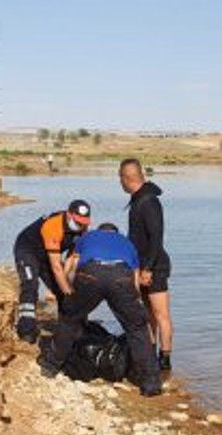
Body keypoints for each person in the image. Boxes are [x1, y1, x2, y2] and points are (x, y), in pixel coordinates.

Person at [40, 223, 162, 398]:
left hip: (90, 273)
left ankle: (50, 366)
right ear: (115, 232)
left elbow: (72, 262)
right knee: (137, 329)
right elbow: (135, 277)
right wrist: (135, 301)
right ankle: (151, 384)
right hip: (121, 276)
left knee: (69, 320)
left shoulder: (87, 237)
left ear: (100, 230)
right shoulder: (127, 243)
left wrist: (65, 290)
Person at [120, 158, 173, 371]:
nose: (120, 184)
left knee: (161, 314)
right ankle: (149, 356)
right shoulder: (138, 198)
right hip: (141, 266)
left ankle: (166, 360)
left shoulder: (149, 201)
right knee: (147, 314)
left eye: (120, 179)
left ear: (126, 178)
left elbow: (156, 237)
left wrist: (148, 268)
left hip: (154, 266)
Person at [13, 199, 91, 343]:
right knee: (30, 285)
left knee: (62, 289)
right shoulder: (53, 226)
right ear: (69, 215)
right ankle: (26, 329)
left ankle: (69, 326)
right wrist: (68, 291)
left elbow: (71, 259)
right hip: (28, 250)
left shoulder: (83, 230)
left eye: (84, 223)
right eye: (78, 222)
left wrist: (67, 287)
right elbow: (56, 267)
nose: (81, 226)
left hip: (49, 254)